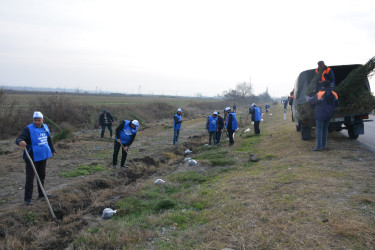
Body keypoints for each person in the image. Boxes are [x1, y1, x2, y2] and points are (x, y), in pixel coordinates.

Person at [15, 111, 56, 205]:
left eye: (39, 120)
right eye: (35, 120)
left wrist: (52, 149)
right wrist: (20, 142)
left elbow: (48, 139)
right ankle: (28, 199)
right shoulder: (28, 129)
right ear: (33, 120)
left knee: (42, 175)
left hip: (43, 155)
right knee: (30, 178)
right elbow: (18, 139)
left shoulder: (45, 127)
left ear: (42, 120)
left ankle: (41, 193)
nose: (37, 122)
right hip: (32, 156)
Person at [306, 81, 339, 151]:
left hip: (320, 115)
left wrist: (307, 97)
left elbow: (311, 101)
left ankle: (318, 147)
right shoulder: (334, 94)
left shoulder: (320, 94)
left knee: (319, 130)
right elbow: (337, 104)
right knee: (325, 129)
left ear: (323, 86)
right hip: (329, 114)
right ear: (329, 86)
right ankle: (323, 146)